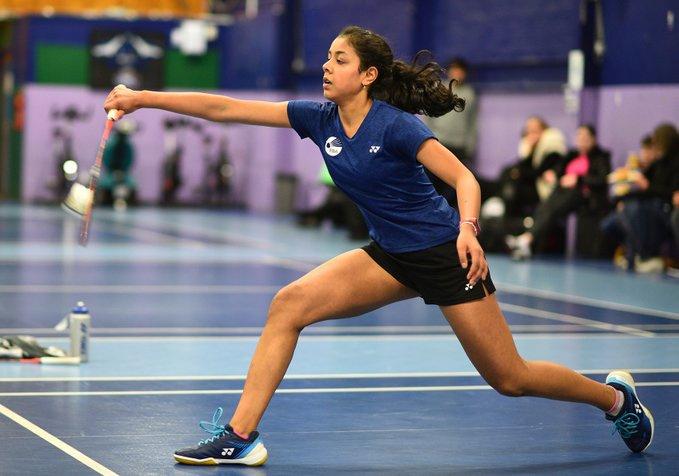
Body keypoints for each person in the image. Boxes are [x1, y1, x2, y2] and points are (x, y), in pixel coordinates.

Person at [104, 25, 653, 466]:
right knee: (288, 305)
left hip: (444, 253)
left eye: (339, 59)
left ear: (367, 75)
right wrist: (142, 98)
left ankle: (614, 399)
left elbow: (464, 179)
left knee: (510, 377)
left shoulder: (395, 126)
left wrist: (468, 228)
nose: (326, 66)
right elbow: (225, 108)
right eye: (327, 57)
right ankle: (240, 437)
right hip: (389, 256)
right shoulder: (318, 119)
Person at [506, 125, 611, 259]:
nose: (582, 140)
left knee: (554, 206)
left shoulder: (601, 157)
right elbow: (559, 170)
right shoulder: (572, 155)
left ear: (593, 139)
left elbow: (602, 179)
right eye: (579, 137)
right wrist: (553, 174)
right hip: (563, 191)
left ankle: (526, 239)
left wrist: (578, 179)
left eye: (585, 137)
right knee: (546, 206)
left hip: (583, 195)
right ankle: (527, 241)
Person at [602, 124, 679, 273]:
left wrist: (646, 186)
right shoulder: (657, 163)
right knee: (611, 222)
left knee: (634, 209)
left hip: (664, 206)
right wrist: (620, 199)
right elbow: (642, 185)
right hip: (649, 203)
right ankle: (634, 254)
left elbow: (668, 192)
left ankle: (646, 256)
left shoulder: (675, 163)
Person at [423, 57, 477, 204]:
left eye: (460, 70)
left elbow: (472, 123)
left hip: (458, 145)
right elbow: (429, 115)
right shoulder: (438, 89)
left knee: (452, 183)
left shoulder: (470, 94)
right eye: (454, 69)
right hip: (438, 142)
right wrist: (427, 137)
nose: (457, 73)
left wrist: (470, 146)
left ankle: (447, 209)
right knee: (432, 179)